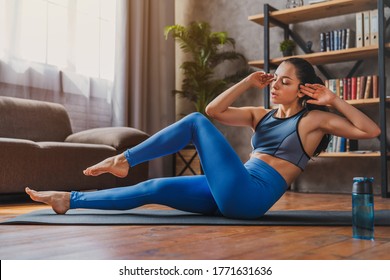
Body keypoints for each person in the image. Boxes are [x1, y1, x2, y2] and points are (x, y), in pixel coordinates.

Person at [25, 57, 380, 219]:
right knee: (156, 189)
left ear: (303, 90)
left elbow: (371, 132)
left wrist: (333, 99)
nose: (275, 86)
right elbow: (216, 110)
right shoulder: (262, 116)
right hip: (234, 186)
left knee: (192, 121)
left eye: (284, 82)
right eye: (275, 79)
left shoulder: (314, 119)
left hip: (250, 196)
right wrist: (246, 82)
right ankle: (67, 199)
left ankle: (124, 160)